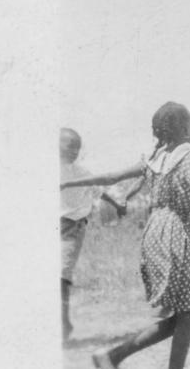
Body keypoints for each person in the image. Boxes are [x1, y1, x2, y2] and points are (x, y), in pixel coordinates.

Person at [60, 102, 190, 369]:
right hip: (175, 233)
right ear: (182, 127)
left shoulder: (155, 159)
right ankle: (115, 356)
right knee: (188, 312)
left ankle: (113, 357)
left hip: (154, 233)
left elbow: (111, 177)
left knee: (185, 314)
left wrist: (69, 181)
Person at [59, 127, 125, 340]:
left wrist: (118, 205)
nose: (74, 151)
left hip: (73, 227)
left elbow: (100, 190)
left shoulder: (82, 173)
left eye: (78, 147)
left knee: (62, 275)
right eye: (70, 146)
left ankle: (62, 323)